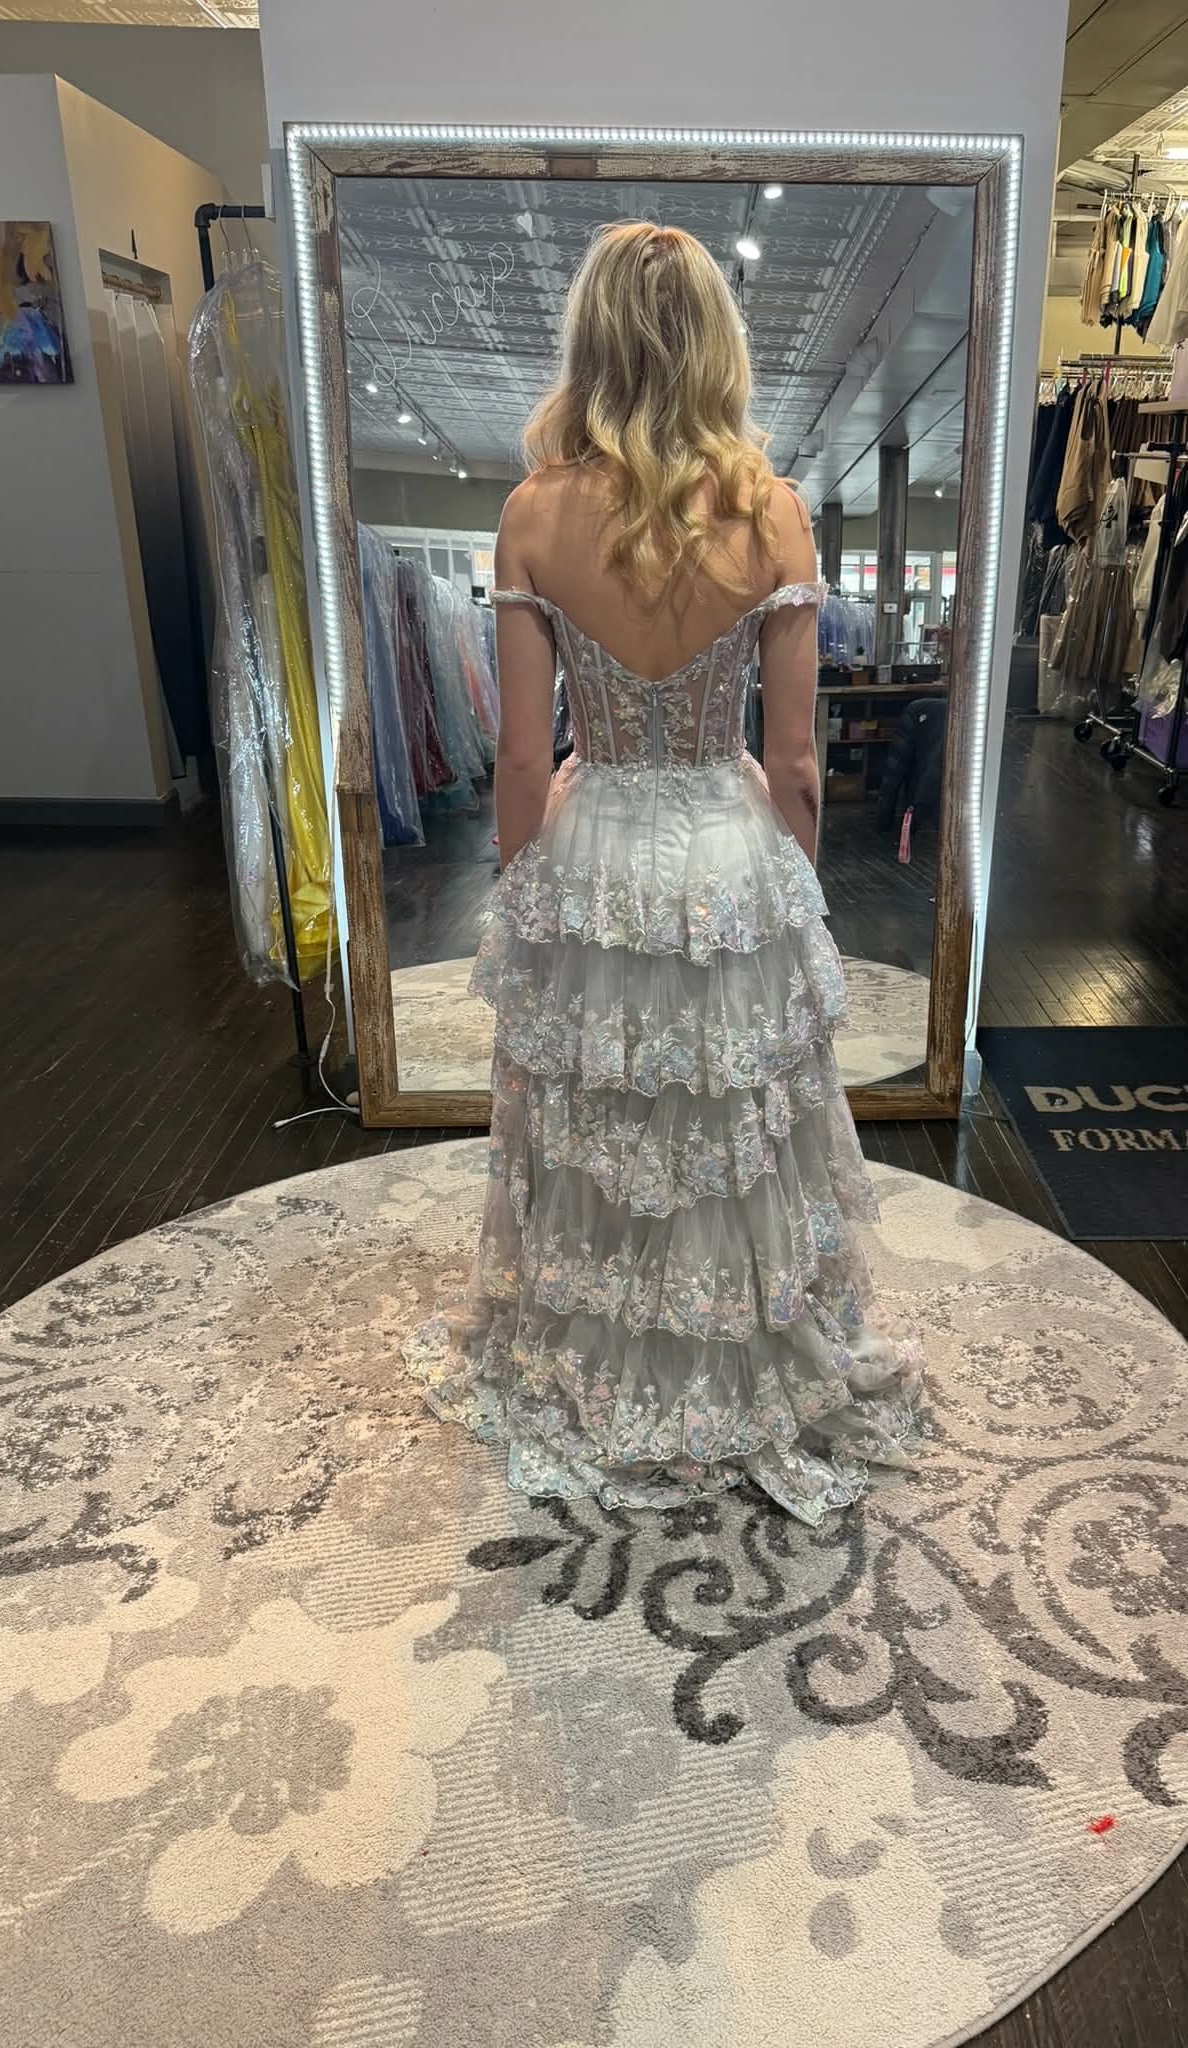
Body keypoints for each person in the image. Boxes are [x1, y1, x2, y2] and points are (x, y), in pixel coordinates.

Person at [403, 221, 921, 1523]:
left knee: (603, 1121)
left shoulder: (533, 514)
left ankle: (600, 1360)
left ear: (593, 341)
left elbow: (523, 760)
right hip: (726, 849)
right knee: (731, 1128)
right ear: (713, 345)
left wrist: (526, 901)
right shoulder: (770, 512)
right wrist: (793, 905)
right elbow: (795, 762)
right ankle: (743, 1366)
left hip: (594, 843)